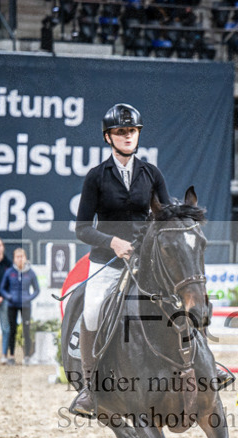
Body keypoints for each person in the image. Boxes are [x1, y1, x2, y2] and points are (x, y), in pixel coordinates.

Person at [69, 103, 171, 416]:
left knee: (179, 302)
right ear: (109, 137)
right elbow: (82, 229)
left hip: (145, 261)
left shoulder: (151, 174)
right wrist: (112, 242)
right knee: (94, 308)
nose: (127, 136)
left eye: (132, 131)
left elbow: (164, 218)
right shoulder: (96, 177)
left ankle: (200, 368)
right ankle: (90, 387)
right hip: (107, 260)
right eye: (121, 131)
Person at [0, 248, 40, 366]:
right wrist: (8, 296)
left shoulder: (30, 273)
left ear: (25, 258)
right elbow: (2, 288)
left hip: (26, 305)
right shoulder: (9, 272)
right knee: (12, 330)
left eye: (22, 256)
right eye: (17, 257)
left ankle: (27, 356)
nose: (20, 259)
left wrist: (29, 298)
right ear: (14, 259)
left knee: (26, 330)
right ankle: (11, 356)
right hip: (12, 305)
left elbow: (37, 290)